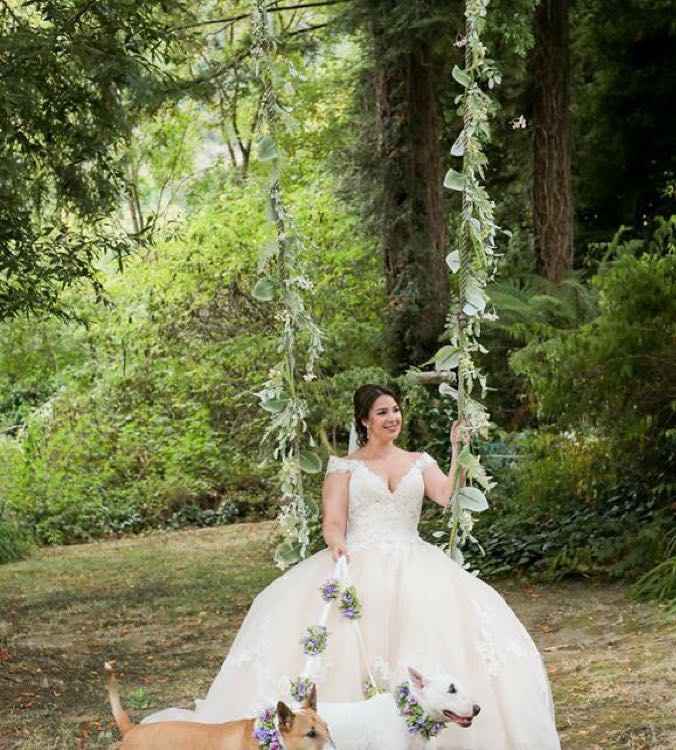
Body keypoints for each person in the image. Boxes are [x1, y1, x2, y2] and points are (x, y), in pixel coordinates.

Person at [142, 384, 561, 749]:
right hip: (357, 560)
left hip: (416, 564)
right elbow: (333, 523)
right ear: (364, 421)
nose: (392, 418)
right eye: (382, 412)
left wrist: (457, 451)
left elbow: (446, 496)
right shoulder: (344, 467)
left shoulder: (419, 460)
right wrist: (338, 548)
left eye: (395, 410)